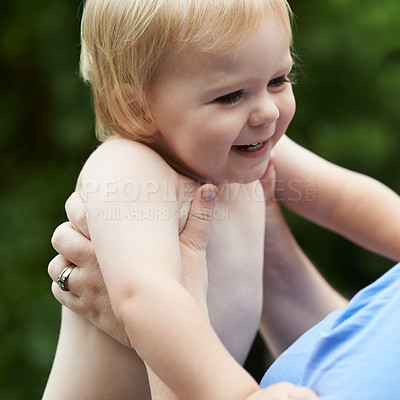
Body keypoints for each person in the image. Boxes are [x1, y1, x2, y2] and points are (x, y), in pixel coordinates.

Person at [44, 0, 400, 399]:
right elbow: (146, 294)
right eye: (231, 96)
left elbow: (344, 197)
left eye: (279, 80)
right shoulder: (128, 171)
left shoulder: (249, 148)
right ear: (137, 106)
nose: (266, 111)